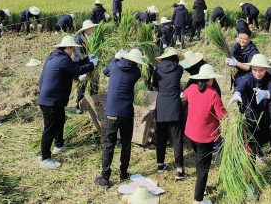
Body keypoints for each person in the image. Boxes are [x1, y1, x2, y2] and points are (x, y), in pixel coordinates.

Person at [37, 36, 97, 169]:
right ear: (68, 48)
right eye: (73, 49)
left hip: (53, 99)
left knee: (60, 121)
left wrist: (88, 59)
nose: (73, 51)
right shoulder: (62, 59)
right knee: (50, 129)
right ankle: (45, 158)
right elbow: (78, 70)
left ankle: (59, 146)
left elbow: (75, 65)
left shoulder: (56, 56)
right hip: (50, 101)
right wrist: (92, 64)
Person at [95, 48, 145, 186]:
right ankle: (123, 173)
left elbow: (105, 72)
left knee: (108, 145)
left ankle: (105, 177)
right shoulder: (136, 72)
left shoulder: (115, 66)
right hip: (127, 112)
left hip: (112, 113)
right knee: (126, 143)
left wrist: (116, 58)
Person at [183, 64, 226, 204]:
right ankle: (198, 200)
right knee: (203, 168)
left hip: (191, 133)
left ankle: (202, 188)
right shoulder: (213, 94)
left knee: (199, 161)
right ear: (211, 79)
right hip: (205, 137)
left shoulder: (192, 88)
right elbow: (223, 116)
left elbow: (184, 95)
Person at [229, 54, 271, 162]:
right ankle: (252, 157)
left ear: (266, 69)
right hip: (249, 112)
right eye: (255, 70)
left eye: (261, 70)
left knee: (263, 135)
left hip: (263, 112)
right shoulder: (248, 78)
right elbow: (241, 86)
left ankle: (259, 151)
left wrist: (265, 93)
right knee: (251, 135)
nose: (257, 73)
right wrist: (237, 93)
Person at [152, 48, 187, 179]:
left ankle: (160, 165)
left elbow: (155, 85)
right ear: (175, 58)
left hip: (161, 104)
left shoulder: (157, 68)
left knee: (161, 136)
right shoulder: (179, 69)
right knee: (177, 138)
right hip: (174, 104)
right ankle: (179, 170)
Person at [73, 20, 98, 110]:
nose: (92, 29)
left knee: (95, 84)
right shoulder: (79, 39)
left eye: (92, 27)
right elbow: (78, 54)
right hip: (83, 65)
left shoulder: (95, 36)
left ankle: (94, 104)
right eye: (90, 27)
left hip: (94, 64)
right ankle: (79, 106)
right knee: (82, 86)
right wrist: (88, 57)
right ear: (85, 29)